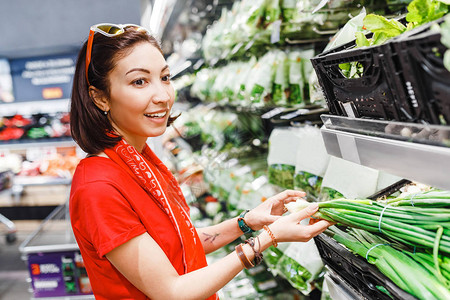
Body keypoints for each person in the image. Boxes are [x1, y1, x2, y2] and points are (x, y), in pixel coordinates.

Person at [69, 23, 333, 300]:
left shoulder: (140, 160)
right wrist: (268, 238)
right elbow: (172, 293)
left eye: (165, 77)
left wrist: (246, 222)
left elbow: (178, 244)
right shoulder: (98, 187)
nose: (162, 96)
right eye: (139, 81)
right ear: (100, 97)